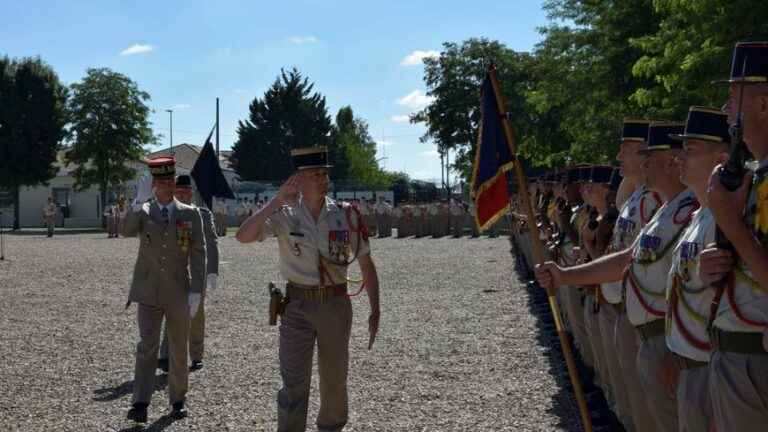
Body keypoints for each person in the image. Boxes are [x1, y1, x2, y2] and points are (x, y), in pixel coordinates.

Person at [537, 122, 691, 432]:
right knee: (641, 409)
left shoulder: (680, 208)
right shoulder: (657, 206)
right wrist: (566, 275)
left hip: (666, 334)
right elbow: (626, 257)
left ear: (672, 162)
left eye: (647, 156)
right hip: (643, 326)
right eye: (642, 156)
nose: (635, 161)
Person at [236, 146, 381, 432]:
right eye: (315, 174)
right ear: (297, 179)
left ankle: (331, 427)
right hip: (297, 306)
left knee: (334, 379)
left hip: (335, 304)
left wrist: (376, 309)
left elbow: (366, 263)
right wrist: (276, 200)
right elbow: (243, 236)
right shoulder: (284, 215)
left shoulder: (346, 215)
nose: (323, 178)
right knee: (293, 382)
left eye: (324, 173)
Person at [699, 41, 768, 431]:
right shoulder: (752, 175)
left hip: (755, 360)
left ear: (763, 104)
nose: (727, 110)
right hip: (735, 355)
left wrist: (730, 221)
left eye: (734, 98)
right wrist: (717, 263)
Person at [122, 157, 206, 423]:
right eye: (161, 181)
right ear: (153, 184)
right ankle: (140, 402)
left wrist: (197, 290)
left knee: (179, 347)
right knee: (147, 346)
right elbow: (125, 231)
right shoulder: (144, 211)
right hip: (147, 291)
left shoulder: (190, 213)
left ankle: (178, 399)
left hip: (178, 291)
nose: (167, 186)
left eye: (170, 180)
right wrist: (137, 202)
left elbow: (198, 253)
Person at [666, 106, 731, 432]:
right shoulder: (698, 216)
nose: (679, 158)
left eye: (690, 151)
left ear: (721, 159)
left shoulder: (723, 219)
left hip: (708, 364)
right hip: (689, 361)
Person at [158, 175, 219, 372]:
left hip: (196, 271)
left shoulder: (202, 214)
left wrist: (213, 271)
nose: (183, 194)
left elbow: (212, 242)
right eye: (179, 191)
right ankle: (166, 355)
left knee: (196, 315)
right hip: (173, 271)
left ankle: (196, 354)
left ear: (191, 193)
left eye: (186, 191)